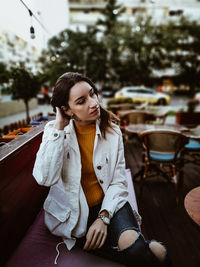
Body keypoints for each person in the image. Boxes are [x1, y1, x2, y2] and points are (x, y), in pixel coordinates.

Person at [33, 72, 171, 266]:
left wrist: (103, 217)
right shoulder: (54, 132)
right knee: (149, 251)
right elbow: (44, 178)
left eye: (92, 94)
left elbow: (118, 180)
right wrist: (59, 127)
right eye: (81, 101)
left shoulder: (112, 131)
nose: (93, 103)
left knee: (136, 249)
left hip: (111, 201)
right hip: (75, 213)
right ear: (67, 109)